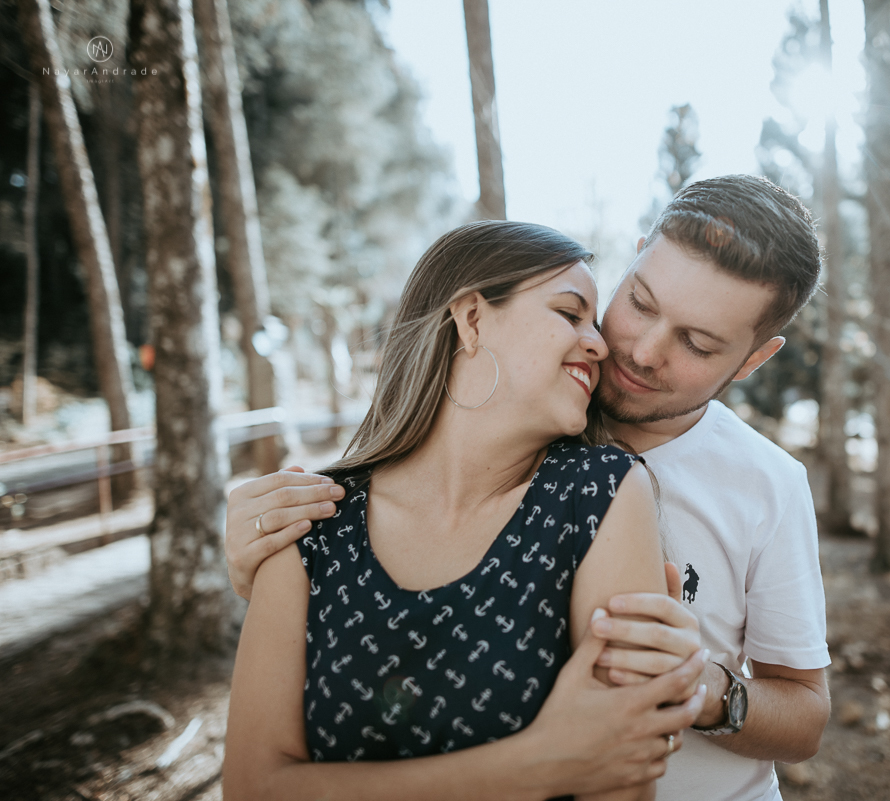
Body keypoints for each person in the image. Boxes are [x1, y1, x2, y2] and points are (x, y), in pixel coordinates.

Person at [228, 175, 833, 801]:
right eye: (640, 303)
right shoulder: (526, 404)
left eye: (697, 344)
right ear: (634, 261)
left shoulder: (763, 483)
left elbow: (806, 715)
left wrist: (700, 687)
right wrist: (275, 565)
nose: (641, 352)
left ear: (752, 360)